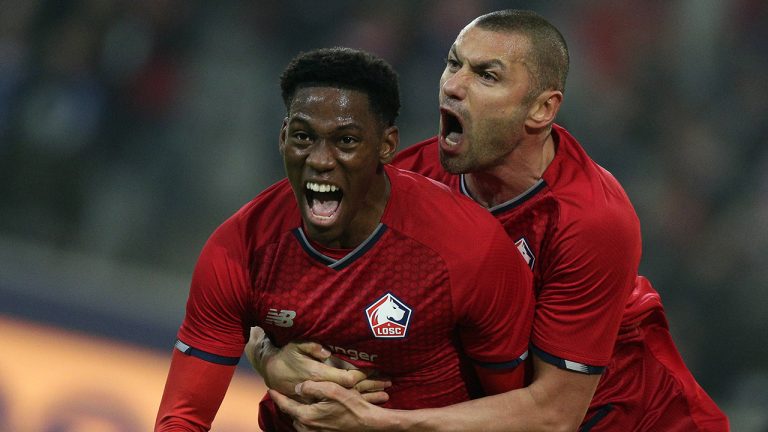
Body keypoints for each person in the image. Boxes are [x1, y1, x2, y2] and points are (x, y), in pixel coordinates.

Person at [252, 10, 730, 432]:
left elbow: (553, 414)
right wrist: (273, 359)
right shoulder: (408, 180)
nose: (454, 85)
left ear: (542, 108)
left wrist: (379, 423)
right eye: (453, 63)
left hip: (635, 418)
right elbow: (285, 296)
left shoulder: (590, 220)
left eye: (486, 75)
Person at [154, 47, 535, 431]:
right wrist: (267, 355)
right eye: (303, 137)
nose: (320, 159)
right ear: (283, 137)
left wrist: (379, 424)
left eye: (346, 141)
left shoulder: (467, 248)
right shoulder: (240, 248)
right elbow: (181, 418)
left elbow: (519, 416)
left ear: (386, 146)